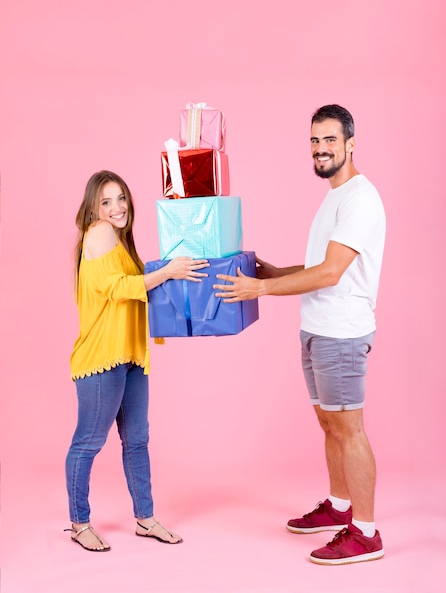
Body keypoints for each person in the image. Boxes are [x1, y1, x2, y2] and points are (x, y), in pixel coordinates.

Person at [213, 105, 386, 565]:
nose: (321, 149)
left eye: (330, 140)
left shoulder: (359, 198)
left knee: (349, 430)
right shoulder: (334, 196)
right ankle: (339, 507)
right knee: (329, 425)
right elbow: (318, 268)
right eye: (314, 141)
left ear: (351, 143)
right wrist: (275, 271)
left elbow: (331, 273)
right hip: (316, 329)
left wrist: (262, 288)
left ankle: (365, 533)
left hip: (341, 334)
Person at [65, 170, 209, 552]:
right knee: (88, 443)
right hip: (101, 359)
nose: (116, 208)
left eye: (121, 198)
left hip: (129, 357)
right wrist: (168, 271)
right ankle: (80, 524)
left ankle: (145, 519)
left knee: (137, 441)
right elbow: (119, 289)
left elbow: (139, 292)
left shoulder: (123, 245)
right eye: (106, 201)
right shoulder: (98, 232)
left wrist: (171, 274)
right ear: (93, 209)